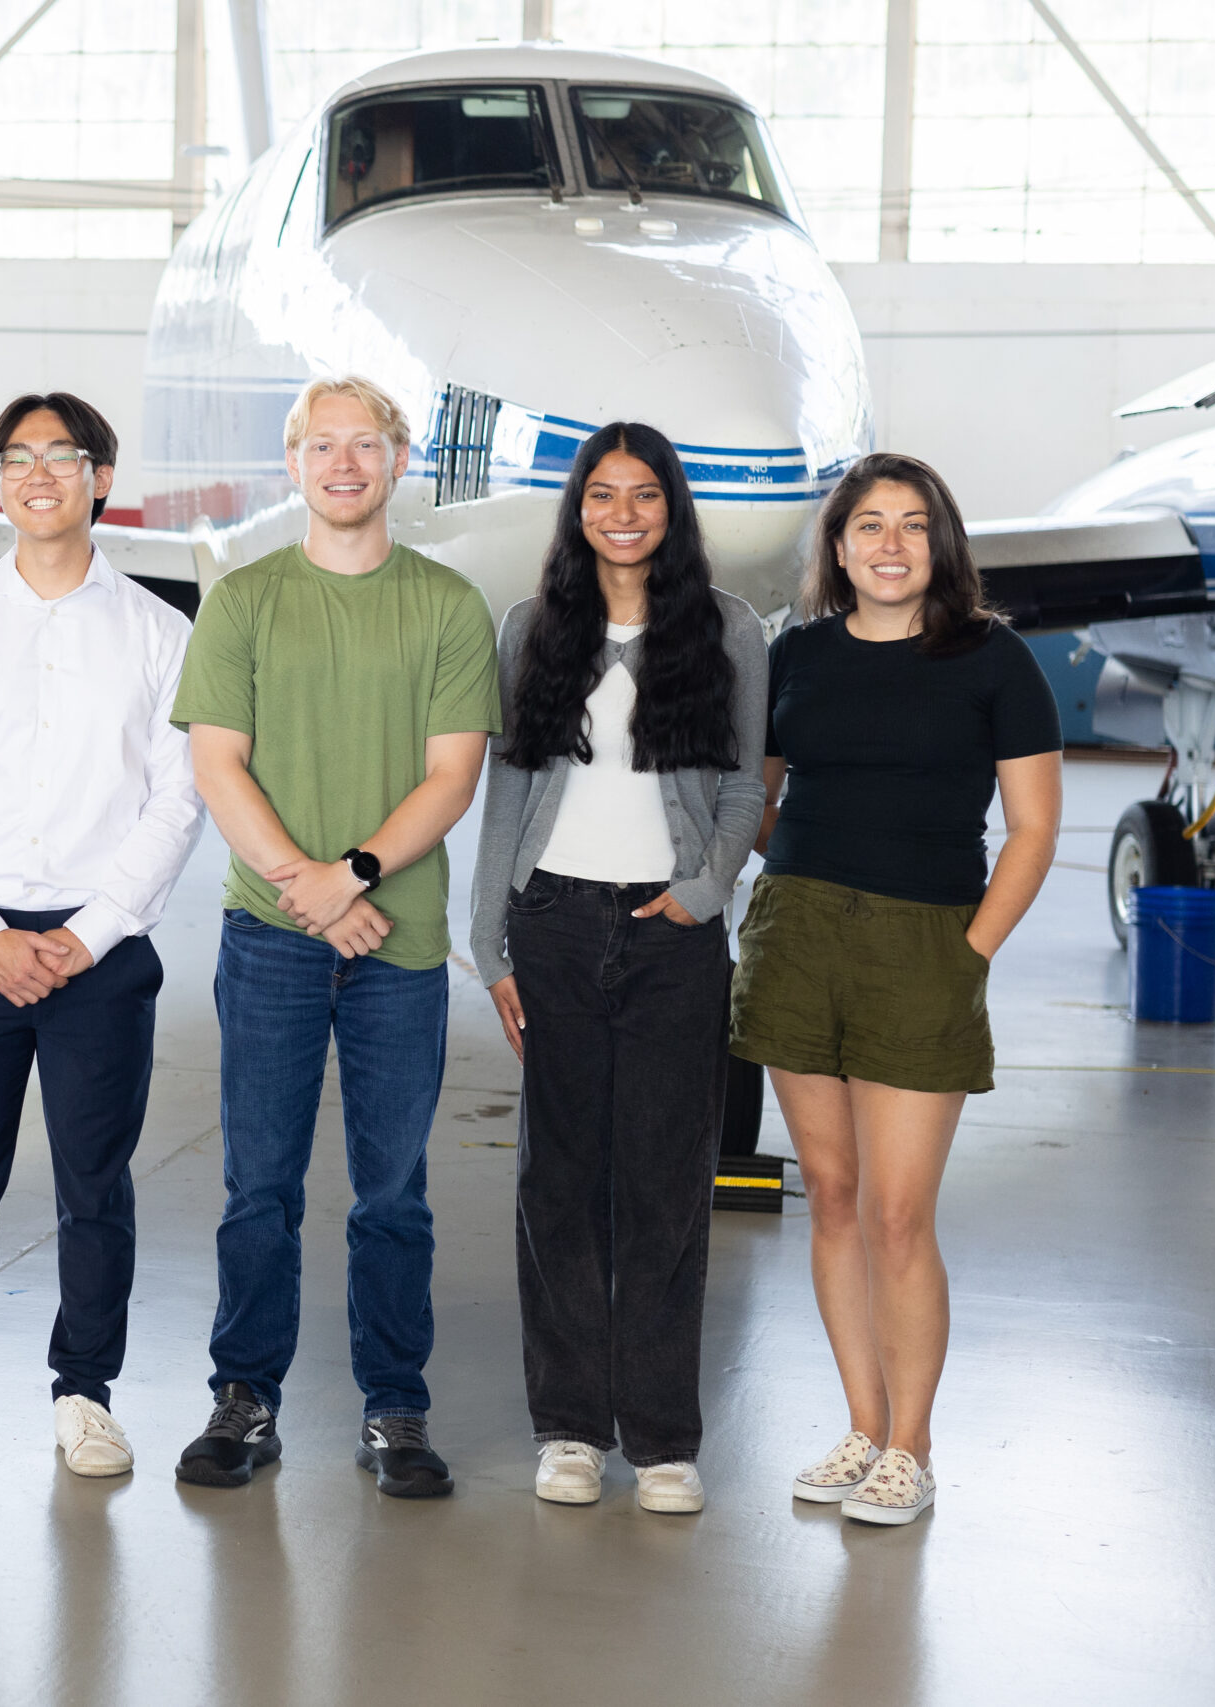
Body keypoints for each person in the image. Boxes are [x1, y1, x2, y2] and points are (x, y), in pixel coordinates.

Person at [170, 375, 499, 1494]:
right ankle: (244, 1399)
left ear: (400, 461)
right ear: (293, 463)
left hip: (397, 947)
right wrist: (303, 889)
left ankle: (394, 1409)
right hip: (267, 938)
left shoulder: (448, 606)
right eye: (323, 445)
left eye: (367, 444)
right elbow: (217, 762)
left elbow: (452, 776)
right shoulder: (244, 599)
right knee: (256, 1186)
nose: (344, 463)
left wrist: (350, 875)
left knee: (391, 1194)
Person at [0, 393, 206, 1479]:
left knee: (92, 1185)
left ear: (100, 479)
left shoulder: (160, 635)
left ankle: (85, 1393)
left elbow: (177, 799)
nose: (36, 475)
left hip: (97, 958)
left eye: (59, 457)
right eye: (12, 457)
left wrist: (92, 932)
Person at [731, 452, 1060, 1526]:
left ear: (939, 545)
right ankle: (863, 1427)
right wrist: (794, 881)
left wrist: (967, 953)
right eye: (867, 524)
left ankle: (911, 1447)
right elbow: (760, 797)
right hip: (797, 934)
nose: (888, 544)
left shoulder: (993, 660)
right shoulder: (797, 655)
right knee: (827, 1195)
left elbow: (1034, 828)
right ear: (837, 547)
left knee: (898, 1212)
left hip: (926, 944)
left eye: (911, 525)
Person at [468, 423, 768, 1515]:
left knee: (664, 1185)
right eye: (603, 494)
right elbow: (509, 790)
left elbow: (741, 789)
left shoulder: (728, 630)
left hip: (671, 935)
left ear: (670, 509)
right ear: (578, 509)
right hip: (550, 921)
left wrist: (701, 895)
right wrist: (487, 936)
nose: (624, 512)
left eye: (645, 494)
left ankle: (661, 1436)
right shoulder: (532, 627)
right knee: (557, 1180)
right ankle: (569, 1429)